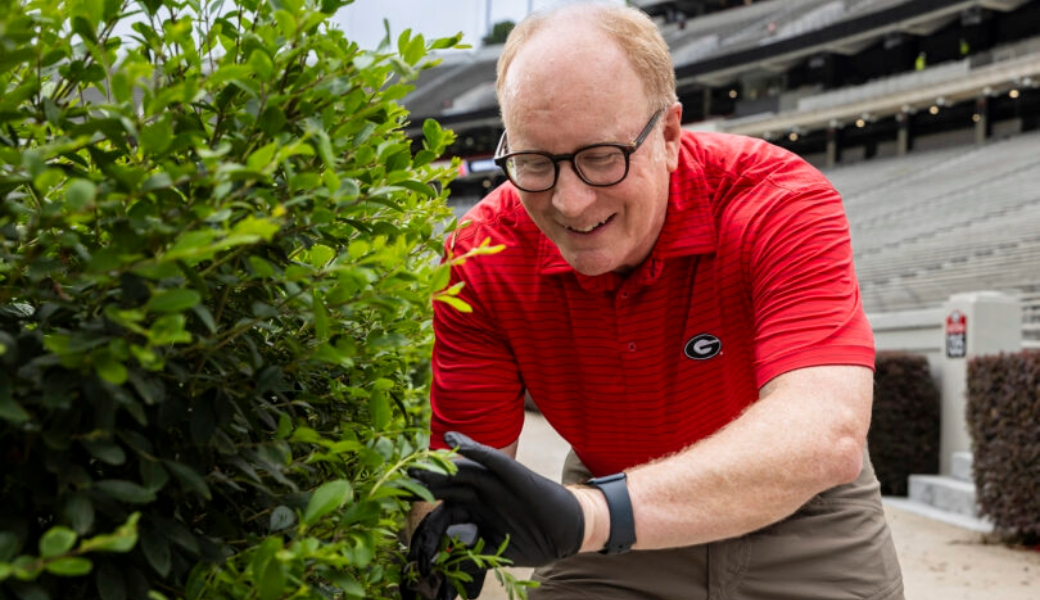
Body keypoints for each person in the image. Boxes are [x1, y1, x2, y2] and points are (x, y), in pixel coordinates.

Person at [406, 3, 904, 599]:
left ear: (668, 134)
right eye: (535, 163)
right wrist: (436, 558)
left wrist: (589, 516)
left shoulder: (781, 201)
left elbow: (825, 435)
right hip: (608, 513)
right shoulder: (480, 255)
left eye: (600, 158)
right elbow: (462, 472)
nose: (570, 203)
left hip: (803, 516)